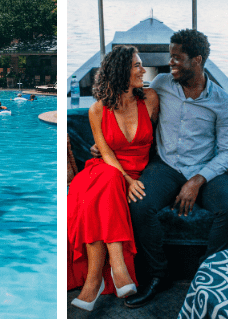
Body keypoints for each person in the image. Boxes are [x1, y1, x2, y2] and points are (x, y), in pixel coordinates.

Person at [122, 29, 228, 308]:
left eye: (177, 58)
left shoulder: (223, 102)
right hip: (165, 165)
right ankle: (157, 275)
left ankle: (209, 275)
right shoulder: (162, 83)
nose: (170, 63)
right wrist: (102, 141)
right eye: (170, 57)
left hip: (204, 169)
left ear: (197, 60)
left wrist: (198, 180)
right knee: (139, 204)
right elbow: (125, 100)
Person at [68, 45, 160, 311]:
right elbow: (105, 154)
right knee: (107, 179)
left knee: (97, 196)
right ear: (121, 71)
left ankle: (93, 282)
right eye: (137, 66)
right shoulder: (97, 110)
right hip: (105, 169)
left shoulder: (151, 99)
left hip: (133, 170)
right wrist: (129, 182)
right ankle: (117, 268)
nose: (144, 70)